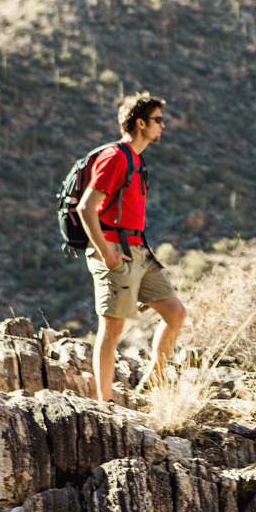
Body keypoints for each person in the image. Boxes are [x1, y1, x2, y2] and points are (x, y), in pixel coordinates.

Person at [77, 92, 187, 401]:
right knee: (112, 329)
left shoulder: (136, 160)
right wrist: (104, 253)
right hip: (114, 248)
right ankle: (105, 402)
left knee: (176, 314)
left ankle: (153, 381)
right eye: (157, 120)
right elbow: (87, 207)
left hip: (139, 250)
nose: (162, 126)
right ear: (140, 123)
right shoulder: (116, 156)